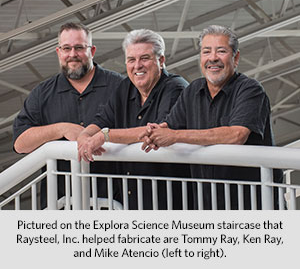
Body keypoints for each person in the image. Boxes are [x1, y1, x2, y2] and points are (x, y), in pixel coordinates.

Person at [140, 25, 283, 210]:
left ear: (236, 57)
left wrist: (175, 136)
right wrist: (153, 133)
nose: (213, 58)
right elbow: (168, 126)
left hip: (253, 206)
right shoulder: (192, 90)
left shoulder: (250, 90)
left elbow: (236, 135)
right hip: (208, 205)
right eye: (206, 51)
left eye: (221, 51)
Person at [13, 22, 125, 208]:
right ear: (59, 52)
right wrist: (61, 128)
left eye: (79, 47)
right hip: (60, 207)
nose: (73, 54)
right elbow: (20, 144)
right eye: (67, 48)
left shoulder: (120, 87)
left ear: (92, 50)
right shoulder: (42, 94)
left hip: (114, 205)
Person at [77, 29, 191, 210]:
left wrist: (105, 136)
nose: (137, 65)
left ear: (160, 61)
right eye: (131, 60)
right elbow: (101, 120)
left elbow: (156, 132)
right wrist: (84, 136)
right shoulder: (125, 88)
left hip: (170, 203)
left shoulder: (175, 88)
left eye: (144, 58)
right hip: (131, 202)